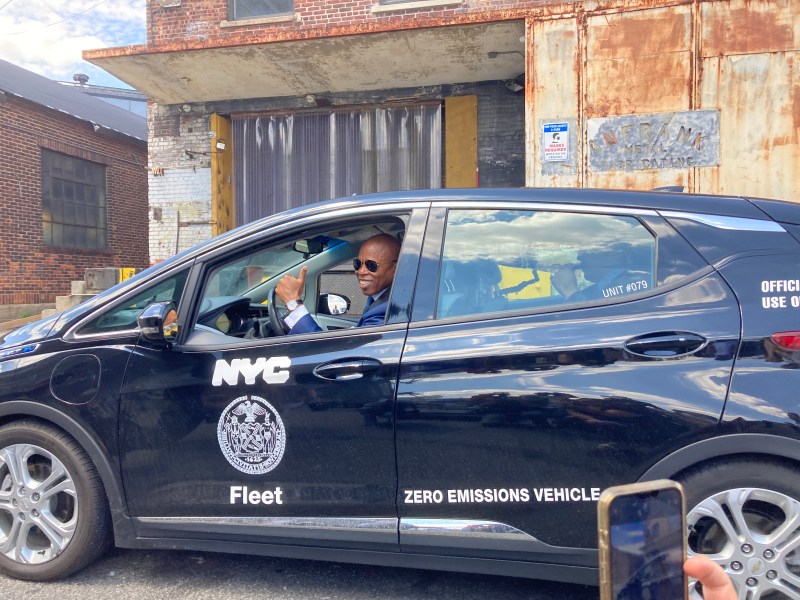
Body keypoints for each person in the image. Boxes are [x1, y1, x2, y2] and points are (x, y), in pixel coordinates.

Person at [275, 233, 401, 334]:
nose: (361, 271)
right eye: (357, 264)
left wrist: (293, 302)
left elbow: (323, 351)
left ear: (395, 268)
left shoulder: (386, 312)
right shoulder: (382, 297)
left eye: (371, 265)